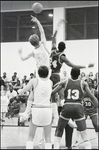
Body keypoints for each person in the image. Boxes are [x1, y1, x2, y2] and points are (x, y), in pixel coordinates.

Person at [51, 67, 98, 149]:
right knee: (84, 133)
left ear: (70, 74)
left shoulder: (65, 82)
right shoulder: (83, 83)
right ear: (79, 75)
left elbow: (53, 92)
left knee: (59, 129)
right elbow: (92, 97)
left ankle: (56, 147)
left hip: (67, 106)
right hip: (78, 107)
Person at [18, 66, 53, 149]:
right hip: (47, 109)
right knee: (48, 138)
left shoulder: (34, 80)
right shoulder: (50, 82)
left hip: (36, 109)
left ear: (37, 73)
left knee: (30, 136)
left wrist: (20, 91)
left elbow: (25, 89)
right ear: (48, 73)